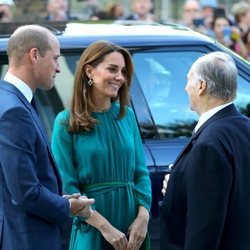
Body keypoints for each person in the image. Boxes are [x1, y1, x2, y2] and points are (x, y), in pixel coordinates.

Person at [0, 24, 95, 250]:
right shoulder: (14, 110)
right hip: (26, 240)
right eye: (55, 58)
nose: (58, 68)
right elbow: (25, 192)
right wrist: (69, 206)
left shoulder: (10, 99)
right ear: (34, 55)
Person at [51, 40, 152, 250]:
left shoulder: (127, 116)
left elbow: (141, 173)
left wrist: (143, 217)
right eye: (112, 69)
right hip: (93, 226)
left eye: (123, 71)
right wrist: (105, 227)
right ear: (89, 71)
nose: (120, 78)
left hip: (132, 227)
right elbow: (67, 187)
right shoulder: (65, 122)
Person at [160, 51, 250, 250]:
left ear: (201, 86)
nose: (185, 87)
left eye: (188, 80)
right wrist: (178, 183)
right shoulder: (245, 126)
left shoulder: (209, 143)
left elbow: (204, 228)